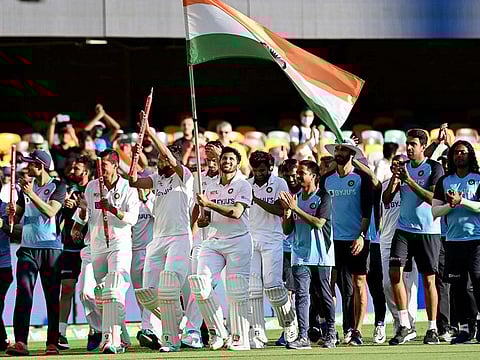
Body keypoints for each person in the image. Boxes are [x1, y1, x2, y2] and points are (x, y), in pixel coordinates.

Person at [130, 127, 194, 353]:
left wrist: (148, 132)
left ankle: (172, 339)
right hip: (157, 239)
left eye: (162, 159)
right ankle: (178, 319)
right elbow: (135, 183)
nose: (159, 162)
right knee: (148, 291)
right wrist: (132, 163)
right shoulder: (157, 179)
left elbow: (166, 154)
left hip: (180, 238)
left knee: (168, 288)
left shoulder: (184, 176)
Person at [74, 149, 139, 354]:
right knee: (96, 294)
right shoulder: (92, 186)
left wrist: (111, 209)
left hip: (119, 244)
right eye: (98, 166)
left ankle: (113, 340)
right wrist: (82, 213)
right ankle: (121, 334)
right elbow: (87, 216)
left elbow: (132, 219)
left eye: (104, 165)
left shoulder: (129, 186)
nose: (100, 170)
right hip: (97, 245)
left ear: (115, 165)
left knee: (114, 290)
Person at [383, 129, 444, 345]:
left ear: (423, 146)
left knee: (429, 280)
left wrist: (409, 181)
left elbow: (434, 199)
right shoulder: (403, 168)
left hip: (428, 232)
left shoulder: (434, 168)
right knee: (394, 275)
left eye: (413, 144)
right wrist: (395, 179)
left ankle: (432, 328)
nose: (408, 148)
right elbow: (387, 198)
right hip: (404, 230)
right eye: (407, 144)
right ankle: (404, 325)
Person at [189, 146, 253, 351]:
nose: (227, 161)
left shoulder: (243, 185)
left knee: (236, 291)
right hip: (214, 241)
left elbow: (235, 212)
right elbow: (205, 220)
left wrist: (209, 204)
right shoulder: (210, 186)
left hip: (239, 241)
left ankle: (240, 338)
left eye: (231, 159)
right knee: (200, 284)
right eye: (224, 158)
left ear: (237, 163)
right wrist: (202, 217)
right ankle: (219, 332)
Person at [6, 150, 66, 356]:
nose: (26, 167)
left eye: (30, 164)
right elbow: (18, 216)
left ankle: (52, 343)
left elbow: (51, 211)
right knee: (23, 294)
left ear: (40, 166)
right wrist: (11, 212)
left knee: (52, 297)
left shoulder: (58, 186)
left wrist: (31, 193)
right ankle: (21, 342)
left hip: (51, 249)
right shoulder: (25, 188)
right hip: (28, 249)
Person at [281, 160, 337, 350]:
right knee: (302, 296)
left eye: (302, 173)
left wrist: (295, 208)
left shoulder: (324, 196)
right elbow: (288, 229)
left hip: (321, 255)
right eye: (297, 173)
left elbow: (319, 223)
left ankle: (331, 333)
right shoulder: (294, 197)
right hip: (300, 254)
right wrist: (287, 212)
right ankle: (303, 336)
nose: (297, 176)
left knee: (323, 295)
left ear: (313, 176)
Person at [323, 139, 373, 345]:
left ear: (352, 153)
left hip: (356, 239)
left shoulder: (362, 178)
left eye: (343, 149)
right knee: (330, 284)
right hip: (332, 241)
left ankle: (357, 331)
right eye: (337, 149)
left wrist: (361, 236)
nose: (339, 152)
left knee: (359, 284)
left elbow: (367, 211)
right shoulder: (326, 179)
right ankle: (332, 330)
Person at [247, 151, 297, 348]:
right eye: (255, 170)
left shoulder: (279, 183)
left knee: (273, 286)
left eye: (262, 170)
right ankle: (258, 333)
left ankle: (289, 324)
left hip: (272, 238)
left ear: (270, 168)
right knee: (252, 288)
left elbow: (280, 210)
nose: (258, 173)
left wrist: (256, 199)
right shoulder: (246, 183)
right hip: (250, 238)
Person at [432, 140, 480, 344]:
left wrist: (462, 201)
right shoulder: (444, 181)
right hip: (452, 240)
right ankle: (464, 328)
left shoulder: (478, 178)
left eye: (463, 152)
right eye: (456, 153)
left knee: (477, 281)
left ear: (470, 155)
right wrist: (451, 205)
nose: (460, 156)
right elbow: (435, 211)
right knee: (458, 286)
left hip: (476, 239)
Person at [183, 140, 224, 349]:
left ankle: (218, 330)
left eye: (216, 157)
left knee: (212, 288)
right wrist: (192, 234)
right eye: (208, 157)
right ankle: (194, 331)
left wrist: (221, 153)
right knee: (198, 285)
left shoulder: (229, 177)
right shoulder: (198, 177)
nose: (212, 161)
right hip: (201, 238)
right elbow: (196, 210)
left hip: (225, 239)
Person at [379, 155, 418, 339]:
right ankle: (399, 320)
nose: (397, 167)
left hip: (407, 239)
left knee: (408, 285)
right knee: (388, 284)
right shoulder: (385, 185)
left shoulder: (412, 184)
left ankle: (409, 324)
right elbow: (385, 203)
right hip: (386, 240)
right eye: (394, 164)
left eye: (401, 164)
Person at [57, 156, 93, 350]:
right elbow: (60, 216)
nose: (72, 171)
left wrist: (81, 207)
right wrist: (65, 207)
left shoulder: (95, 189)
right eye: (72, 167)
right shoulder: (68, 190)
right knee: (67, 289)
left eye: (77, 168)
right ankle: (61, 333)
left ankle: (97, 330)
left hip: (92, 248)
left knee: (93, 292)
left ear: (86, 172)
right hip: (70, 248)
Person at [130, 170, 158, 350]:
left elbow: (159, 218)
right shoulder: (132, 200)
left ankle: (149, 328)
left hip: (151, 251)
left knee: (150, 292)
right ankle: (148, 328)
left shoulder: (155, 199)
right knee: (140, 294)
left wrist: (147, 199)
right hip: (133, 252)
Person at [275, 159, 300, 346]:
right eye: (287, 175)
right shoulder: (278, 193)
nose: (291, 179)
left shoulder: (303, 193)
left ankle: (302, 329)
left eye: (294, 175)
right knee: (285, 292)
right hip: (281, 248)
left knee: (298, 292)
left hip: (299, 250)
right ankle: (289, 329)